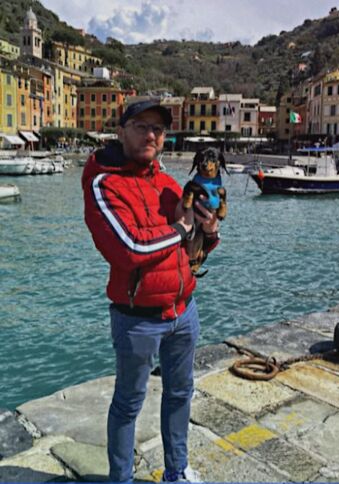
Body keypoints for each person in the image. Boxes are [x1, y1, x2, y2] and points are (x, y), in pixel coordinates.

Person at [82, 99, 220, 483]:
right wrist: (179, 229)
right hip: (137, 318)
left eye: (157, 129)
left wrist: (209, 233)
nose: (150, 135)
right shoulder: (104, 183)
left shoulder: (168, 184)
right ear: (121, 131)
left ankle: (177, 471)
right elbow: (129, 249)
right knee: (128, 404)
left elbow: (190, 249)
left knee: (180, 394)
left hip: (184, 310)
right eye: (141, 126)